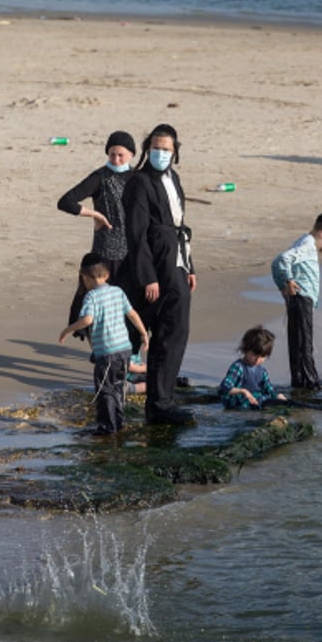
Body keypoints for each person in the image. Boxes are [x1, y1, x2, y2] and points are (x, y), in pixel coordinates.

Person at [118, 123, 196, 426]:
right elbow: (136, 235)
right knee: (165, 331)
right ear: (147, 149)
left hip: (177, 259)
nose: (160, 153)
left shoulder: (173, 178)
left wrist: (190, 266)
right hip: (156, 263)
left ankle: (162, 400)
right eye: (155, 148)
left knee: (176, 331)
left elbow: (181, 226)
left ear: (175, 152)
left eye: (166, 149)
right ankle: (159, 404)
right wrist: (148, 276)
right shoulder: (139, 182)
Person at [56, 130, 137, 336]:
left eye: (121, 155)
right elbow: (65, 202)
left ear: (131, 155)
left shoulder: (138, 178)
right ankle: (97, 346)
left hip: (132, 252)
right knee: (95, 302)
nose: (116, 159)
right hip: (104, 252)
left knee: (126, 304)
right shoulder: (100, 177)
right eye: (112, 154)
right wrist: (95, 214)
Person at [59, 252, 149, 434]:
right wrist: (143, 334)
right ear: (107, 275)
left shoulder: (91, 297)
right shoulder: (118, 292)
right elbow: (132, 314)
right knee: (118, 387)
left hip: (107, 352)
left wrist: (68, 330)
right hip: (125, 350)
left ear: (85, 278)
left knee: (104, 390)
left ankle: (108, 427)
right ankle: (119, 422)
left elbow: (88, 319)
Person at [271, 212, 322, 390]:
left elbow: (277, 263)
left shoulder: (303, 241)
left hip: (300, 299)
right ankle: (310, 383)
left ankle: (300, 381)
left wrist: (282, 286)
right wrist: (286, 281)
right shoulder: (308, 245)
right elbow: (281, 260)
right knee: (304, 343)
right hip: (301, 299)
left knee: (298, 343)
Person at [218, 326, 287, 410]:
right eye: (254, 355)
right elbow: (224, 388)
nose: (258, 360)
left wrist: (278, 396)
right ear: (246, 350)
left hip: (256, 399)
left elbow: (269, 389)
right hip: (238, 401)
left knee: (273, 401)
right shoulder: (238, 367)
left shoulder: (262, 371)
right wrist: (243, 391)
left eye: (262, 356)